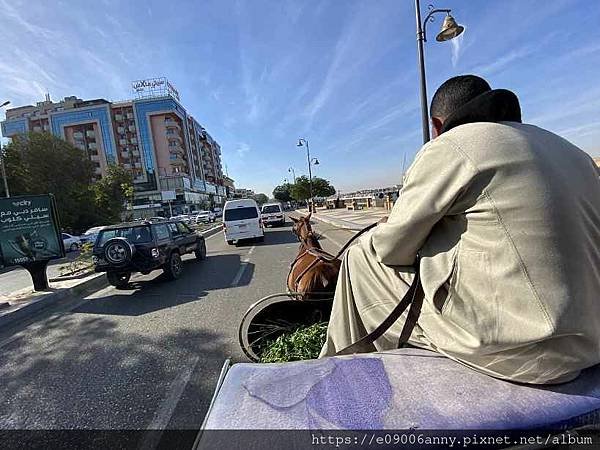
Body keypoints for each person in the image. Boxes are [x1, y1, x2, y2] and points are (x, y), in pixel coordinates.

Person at [320, 75, 600, 384]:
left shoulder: (450, 146)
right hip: (591, 342)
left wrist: (393, 229)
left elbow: (390, 250)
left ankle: (343, 374)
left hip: (525, 354)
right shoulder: (572, 151)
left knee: (360, 256)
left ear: (436, 125)